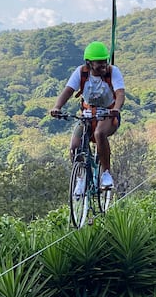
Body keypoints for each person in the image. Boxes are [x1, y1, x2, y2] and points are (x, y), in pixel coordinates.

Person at [50, 41, 125, 190]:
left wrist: (116, 108)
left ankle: (106, 174)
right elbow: (68, 91)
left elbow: (120, 93)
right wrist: (57, 107)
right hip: (87, 115)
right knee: (75, 146)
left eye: (105, 61)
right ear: (89, 63)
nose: (104, 66)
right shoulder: (81, 73)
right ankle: (81, 178)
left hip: (108, 114)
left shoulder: (113, 72)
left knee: (99, 134)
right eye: (99, 63)